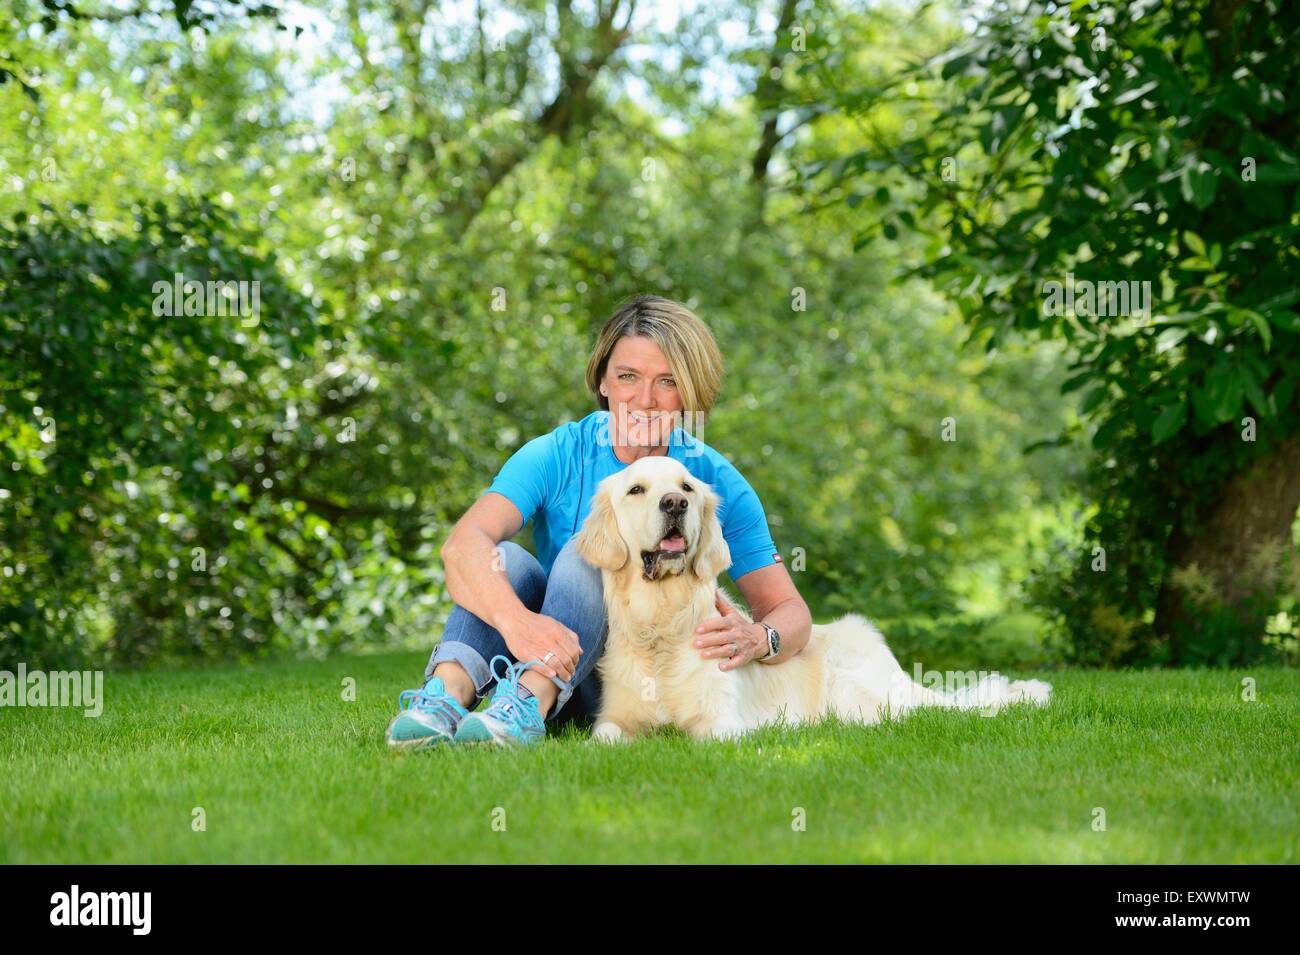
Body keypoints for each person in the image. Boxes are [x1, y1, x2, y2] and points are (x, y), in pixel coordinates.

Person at [385, 294, 813, 748]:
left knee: (584, 555)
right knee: (505, 558)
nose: (644, 400)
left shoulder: (709, 483)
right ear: (603, 381)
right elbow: (461, 546)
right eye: (628, 376)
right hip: (552, 652)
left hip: (619, 686)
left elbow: (792, 614)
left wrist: (758, 637)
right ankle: (442, 701)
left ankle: (528, 702)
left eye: (667, 381)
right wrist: (519, 625)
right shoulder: (556, 453)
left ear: (690, 391)